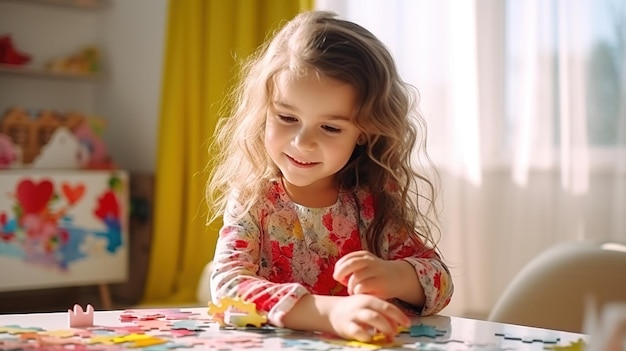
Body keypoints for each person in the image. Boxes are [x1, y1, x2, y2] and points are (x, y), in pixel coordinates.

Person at [206, 10, 453, 342]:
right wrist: (329, 313)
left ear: (364, 132)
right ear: (265, 110)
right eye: (287, 117)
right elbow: (228, 287)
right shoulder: (256, 197)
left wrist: (394, 276)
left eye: (330, 127)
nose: (303, 142)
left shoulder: (370, 200)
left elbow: (440, 283)